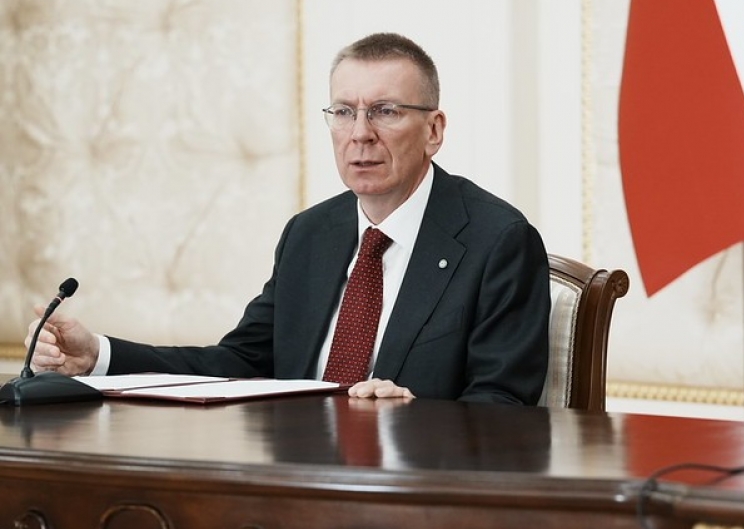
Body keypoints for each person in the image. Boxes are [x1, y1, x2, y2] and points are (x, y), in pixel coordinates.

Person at [25, 32, 551, 405]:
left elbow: (503, 406)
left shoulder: (498, 241)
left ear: (433, 130)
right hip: (295, 481)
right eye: (343, 112)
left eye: (386, 111)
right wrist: (99, 356)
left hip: (414, 495)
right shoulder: (310, 235)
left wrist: (413, 421)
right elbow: (240, 364)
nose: (359, 133)